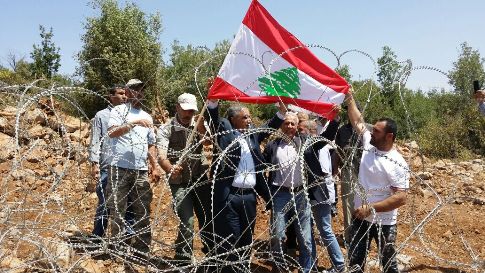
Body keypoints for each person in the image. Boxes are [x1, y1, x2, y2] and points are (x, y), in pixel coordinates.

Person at [206, 100, 286, 273]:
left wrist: (281, 112)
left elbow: (269, 127)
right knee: (230, 238)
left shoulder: (252, 136)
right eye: (245, 117)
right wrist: (213, 101)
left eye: (249, 117)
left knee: (246, 237)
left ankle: (242, 268)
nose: (249, 120)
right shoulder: (224, 132)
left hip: (249, 197)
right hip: (229, 196)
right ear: (233, 119)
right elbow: (213, 116)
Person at [264, 112, 338, 273]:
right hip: (280, 194)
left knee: (305, 236)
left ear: (297, 126)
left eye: (292, 123)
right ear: (281, 126)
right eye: (286, 123)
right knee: (278, 234)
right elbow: (263, 166)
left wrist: (335, 119)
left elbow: (327, 136)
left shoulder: (305, 142)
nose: (289, 126)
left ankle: (306, 268)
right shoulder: (273, 145)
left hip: (301, 194)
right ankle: (280, 267)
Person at [345, 90, 410, 273]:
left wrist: (371, 208)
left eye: (376, 131)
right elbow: (357, 121)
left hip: (384, 222)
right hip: (360, 217)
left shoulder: (397, 162)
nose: (371, 133)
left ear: (389, 136)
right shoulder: (369, 145)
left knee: (389, 265)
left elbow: (401, 198)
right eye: (372, 129)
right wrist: (349, 99)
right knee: (355, 263)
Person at [106, 79, 161, 258]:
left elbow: (151, 144)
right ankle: (116, 247)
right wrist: (133, 123)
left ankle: (142, 248)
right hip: (119, 167)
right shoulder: (118, 111)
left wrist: (155, 166)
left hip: (140, 170)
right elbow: (112, 132)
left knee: (142, 209)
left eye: (141, 90)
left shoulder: (147, 116)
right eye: (135, 90)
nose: (139, 93)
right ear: (127, 92)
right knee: (117, 208)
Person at [157, 93, 213, 263]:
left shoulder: (198, 125)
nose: (188, 113)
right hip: (179, 182)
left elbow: (208, 143)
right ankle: (183, 258)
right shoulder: (166, 128)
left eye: (191, 110)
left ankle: (211, 255)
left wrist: (202, 128)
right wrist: (169, 168)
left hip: (200, 178)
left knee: (207, 219)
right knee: (187, 221)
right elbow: (161, 156)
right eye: (185, 110)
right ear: (177, 107)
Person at [88, 86, 135, 237]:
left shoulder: (129, 114)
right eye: (120, 94)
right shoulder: (101, 115)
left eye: (125, 94)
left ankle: (127, 237)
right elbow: (95, 140)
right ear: (111, 96)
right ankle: (97, 236)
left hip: (127, 165)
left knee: (129, 201)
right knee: (105, 202)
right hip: (107, 165)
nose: (124, 97)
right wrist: (94, 163)